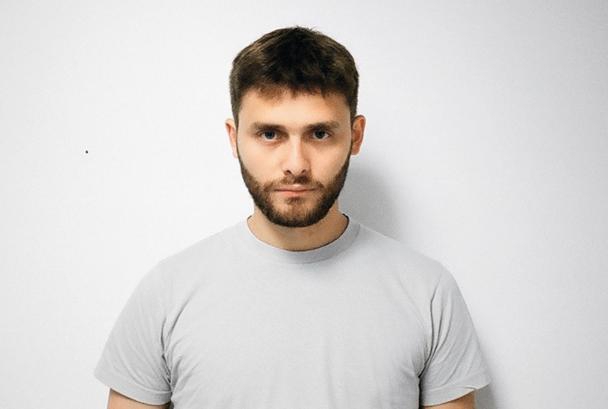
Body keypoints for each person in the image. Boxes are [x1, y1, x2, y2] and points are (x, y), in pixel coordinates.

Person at [94, 26, 491, 409]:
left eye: (319, 134)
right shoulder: (166, 293)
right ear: (234, 138)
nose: (296, 165)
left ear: (355, 136)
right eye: (270, 134)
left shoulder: (428, 292)